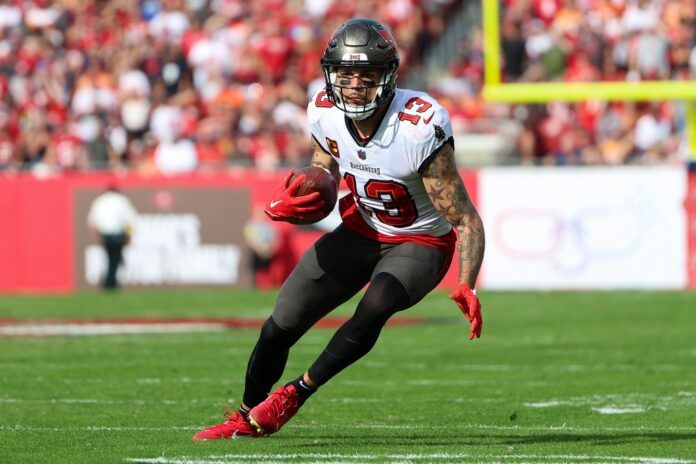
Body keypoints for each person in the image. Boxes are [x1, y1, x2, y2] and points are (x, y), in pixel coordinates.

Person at [193, 18, 485, 440]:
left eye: (366, 76)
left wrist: (466, 282)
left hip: (419, 239)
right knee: (281, 323)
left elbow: (465, 219)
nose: (354, 86)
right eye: (345, 75)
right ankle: (245, 416)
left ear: (388, 77)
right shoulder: (323, 112)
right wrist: (309, 188)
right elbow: (323, 164)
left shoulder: (418, 124)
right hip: (362, 229)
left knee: (375, 305)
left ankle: (295, 393)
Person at [87, 184, 138, 290]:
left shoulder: (99, 201)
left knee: (110, 258)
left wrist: (97, 235)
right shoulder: (122, 200)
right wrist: (129, 236)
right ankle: (111, 283)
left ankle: (110, 282)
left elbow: (92, 221)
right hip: (118, 233)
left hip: (105, 234)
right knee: (115, 259)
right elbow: (130, 220)